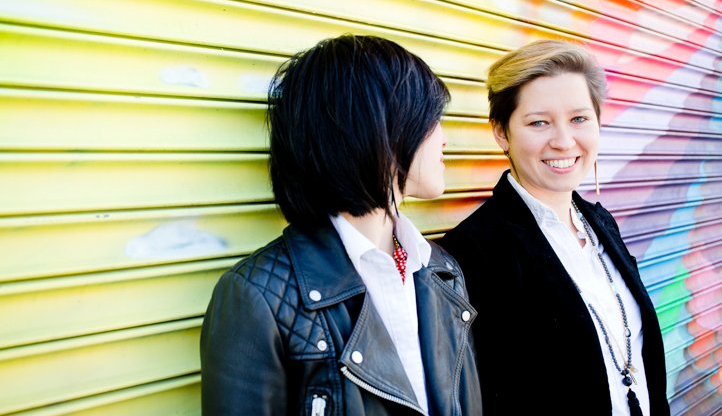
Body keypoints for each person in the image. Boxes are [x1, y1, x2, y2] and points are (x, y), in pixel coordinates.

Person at [201, 34, 482, 416]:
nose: (445, 139)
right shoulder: (256, 297)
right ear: (377, 127)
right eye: (431, 120)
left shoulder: (440, 270)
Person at [439, 40, 670, 416]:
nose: (563, 141)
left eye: (579, 119)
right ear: (501, 132)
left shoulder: (600, 223)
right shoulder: (472, 252)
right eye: (538, 122)